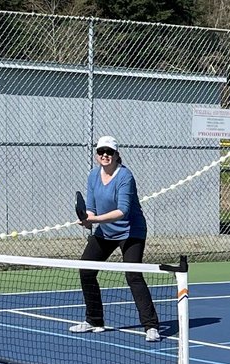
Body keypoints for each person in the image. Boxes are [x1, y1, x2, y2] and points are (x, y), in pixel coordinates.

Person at [69, 135, 161, 342]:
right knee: (86, 270)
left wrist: (96, 220)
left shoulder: (125, 177)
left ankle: (151, 326)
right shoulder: (93, 175)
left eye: (109, 152)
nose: (105, 155)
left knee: (133, 275)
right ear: (96, 155)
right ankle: (94, 321)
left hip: (131, 231)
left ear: (117, 155)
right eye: (101, 152)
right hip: (106, 232)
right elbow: (91, 208)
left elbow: (123, 211)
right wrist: (88, 219)